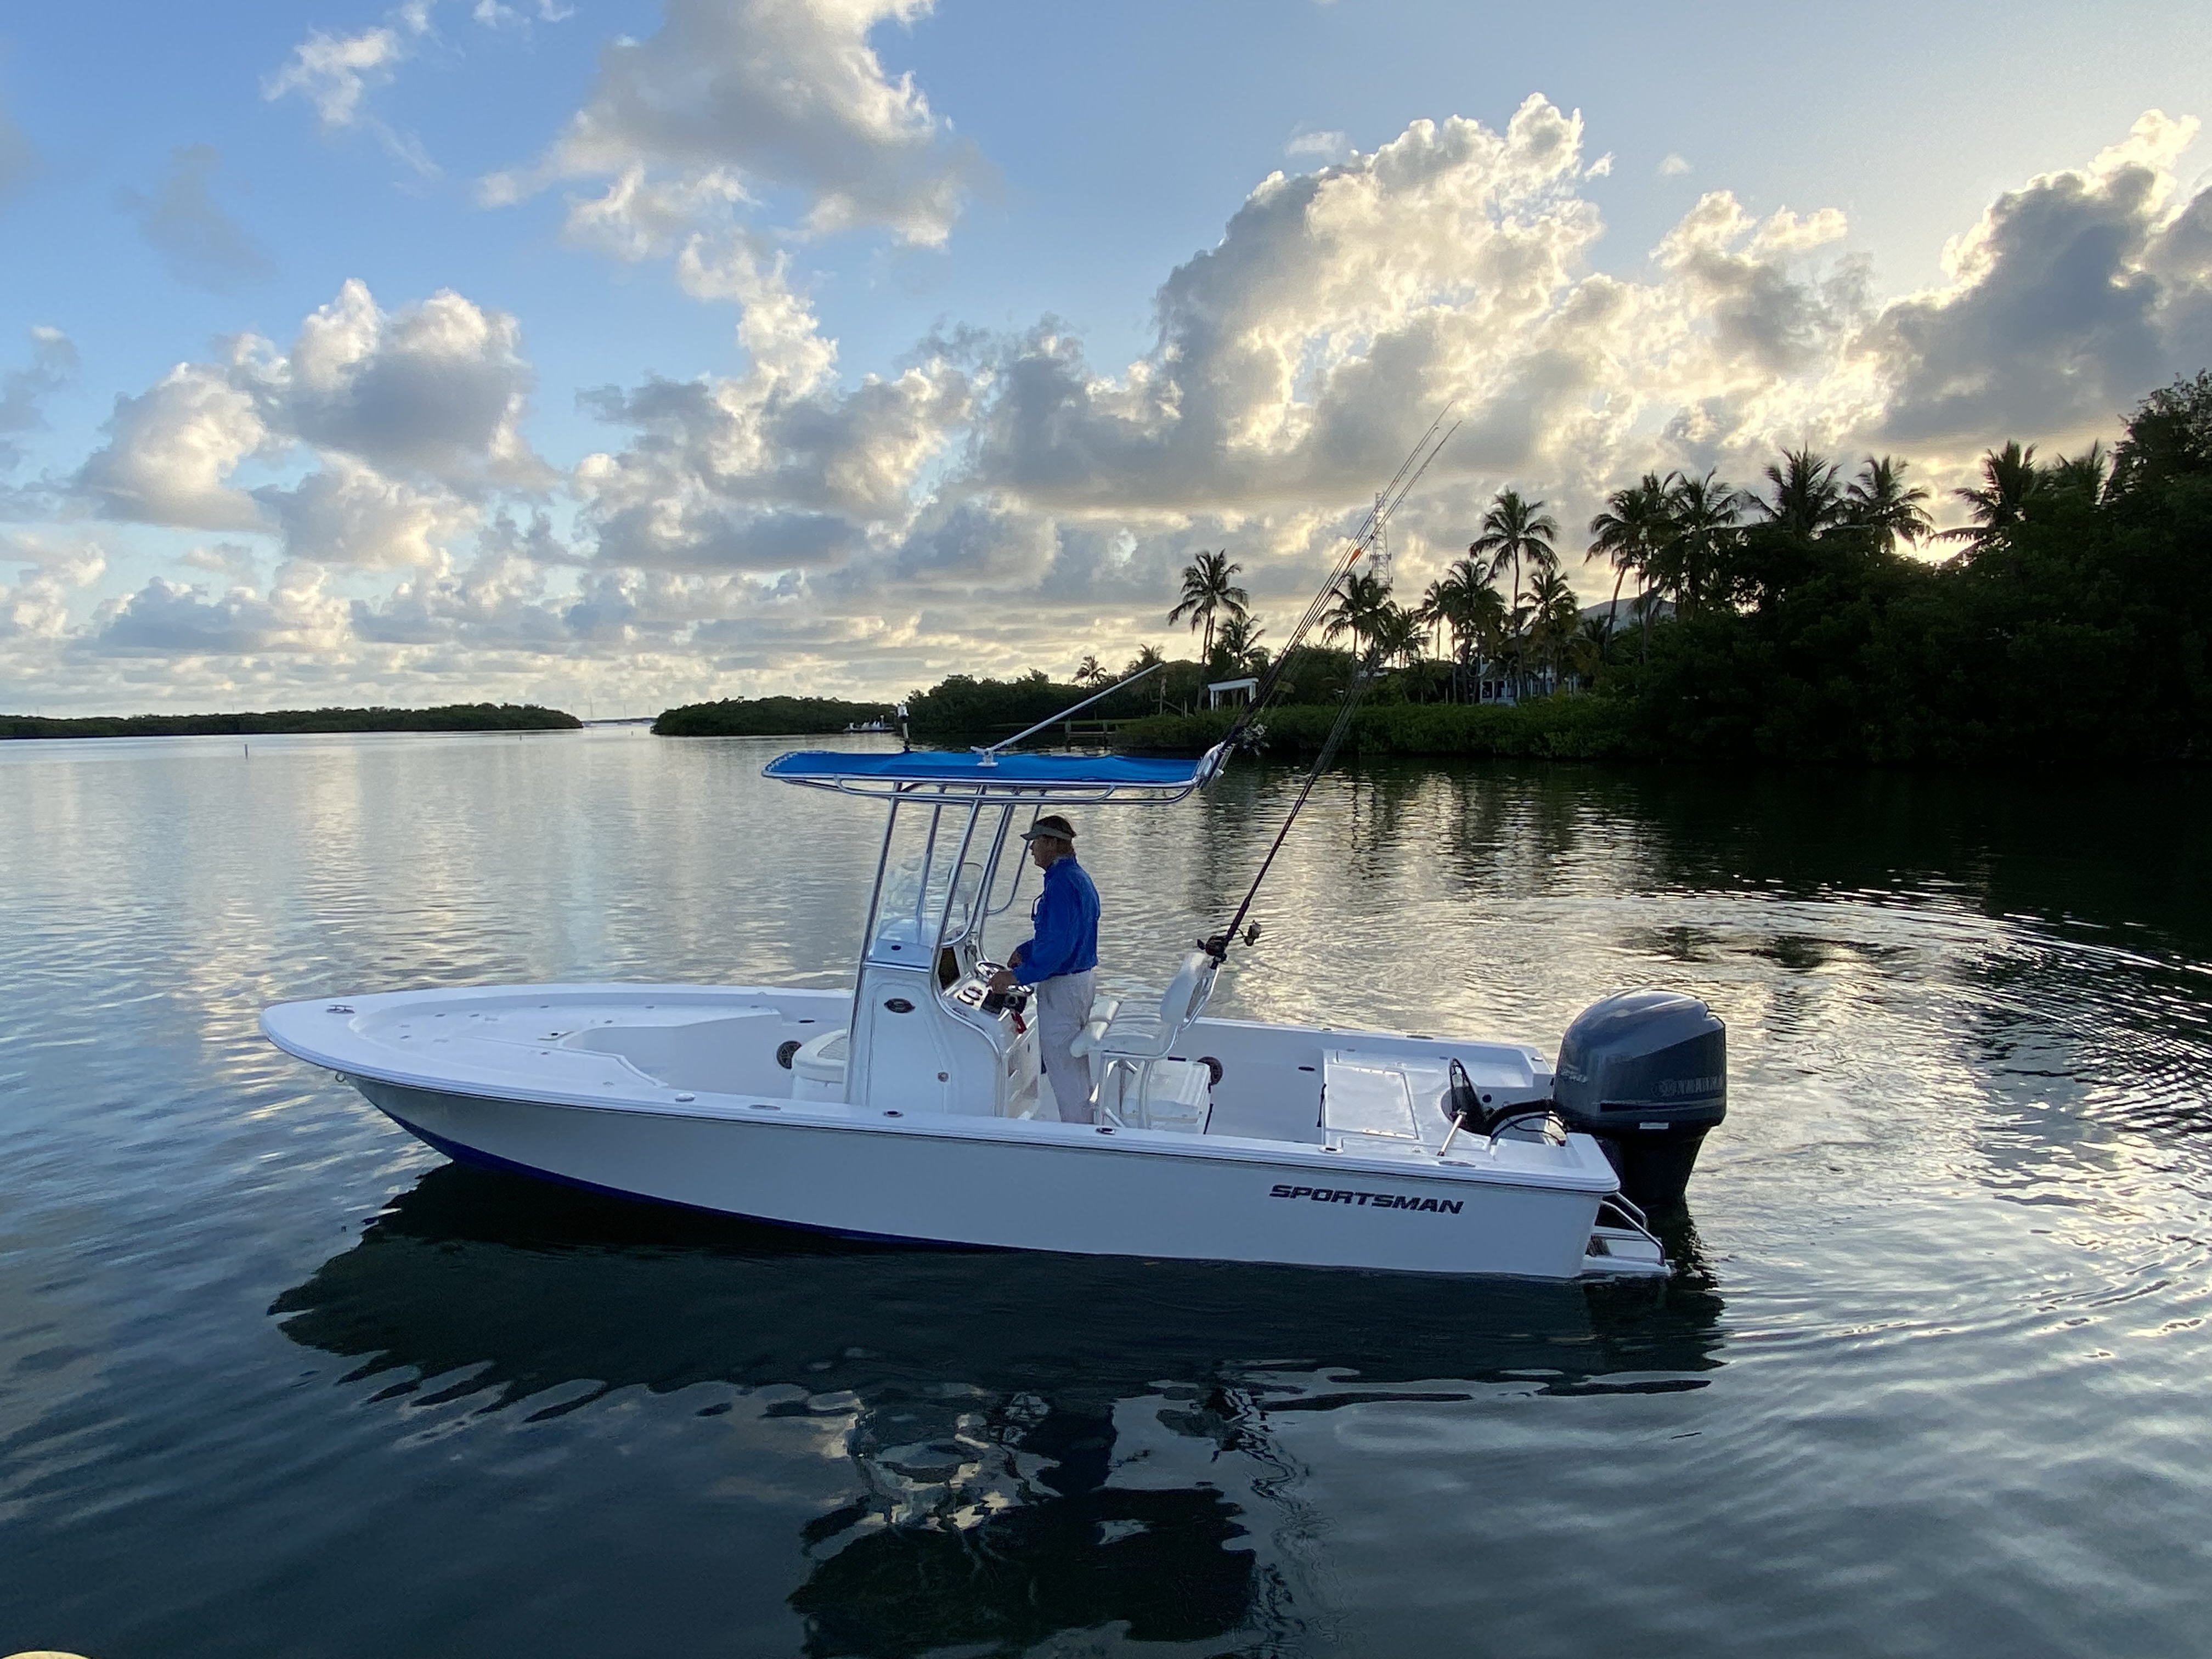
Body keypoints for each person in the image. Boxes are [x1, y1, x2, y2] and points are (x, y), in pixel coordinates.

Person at [988, 814, 1099, 1123]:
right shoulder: (1076, 877)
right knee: (1068, 1063)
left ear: (1051, 843)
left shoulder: (1062, 884)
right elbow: (1061, 935)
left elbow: (1058, 947)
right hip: (1079, 980)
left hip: (1065, 987)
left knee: (1064, 1065)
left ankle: (1077, 1135)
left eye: (1035, 842)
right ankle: (1079, 1124)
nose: (1032, 850)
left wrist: (1015, 976)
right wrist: (1025, 952)